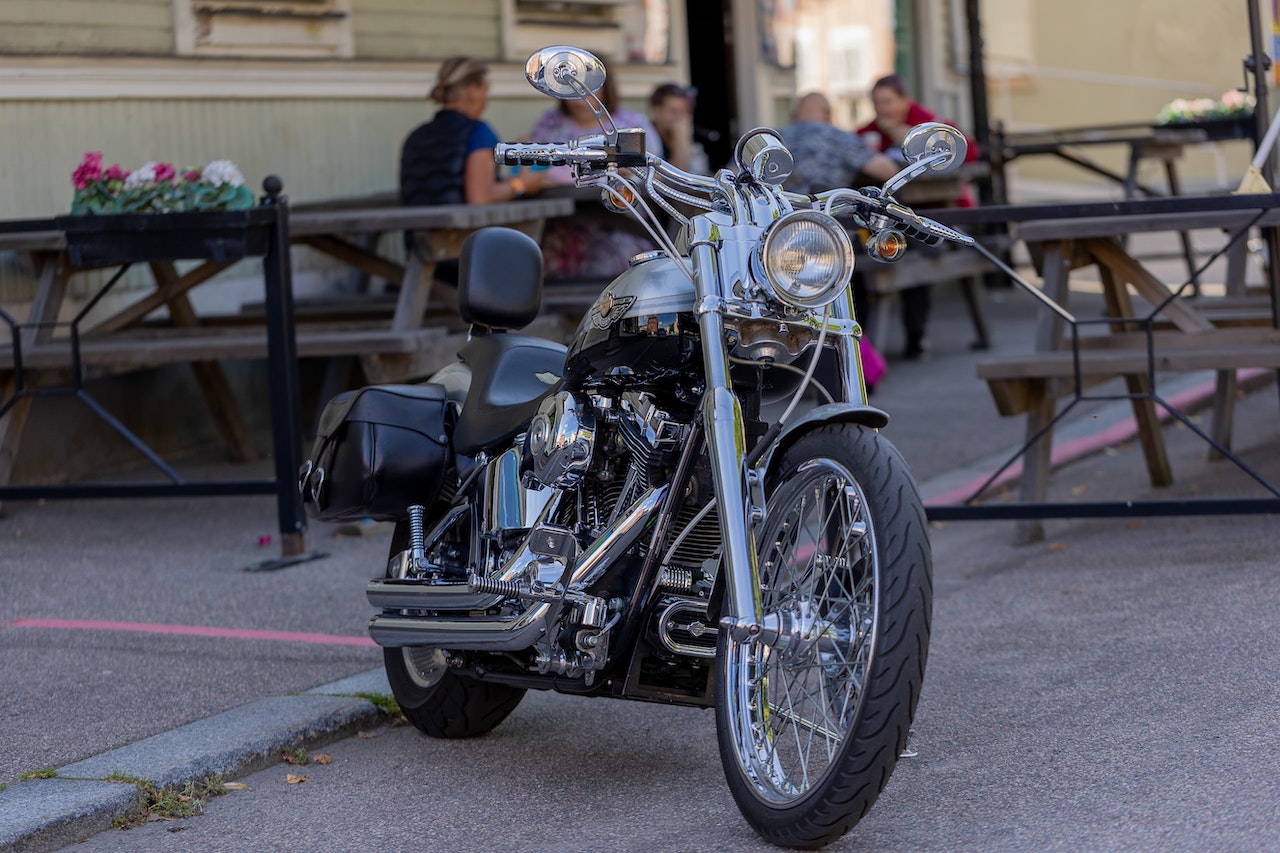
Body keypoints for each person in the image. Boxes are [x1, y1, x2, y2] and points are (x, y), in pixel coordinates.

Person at [857, 74, 981, 359]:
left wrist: (910, 139)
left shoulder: (927, 123)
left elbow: (969, 151)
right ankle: (873, 346)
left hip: (940, 216)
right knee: (887, 247)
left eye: (888, 102)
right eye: (877, 103)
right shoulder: (873, 131)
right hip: (895, 217)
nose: (882, 109)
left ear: (904, 100)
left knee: (919, 245)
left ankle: (915, 336)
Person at [526, 72, 661, 281]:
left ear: (607, 89)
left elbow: (649, 170)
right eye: (572, 90)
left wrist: (558, 173)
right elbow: (532, 171)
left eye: (589, 89)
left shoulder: (628, 123)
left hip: (621, 228)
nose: (580, 98)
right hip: (561, 230)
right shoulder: (550, 123)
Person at [400, 57, 543, 208]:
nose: (486, 100)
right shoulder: (478, 133)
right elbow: (479, 198)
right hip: (463, 230)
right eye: (485, 91)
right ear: (473, 90)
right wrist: (521, 184)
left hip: (417, 230)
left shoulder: (415, 137)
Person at [648, 82, 710, 174]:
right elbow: (677, 176)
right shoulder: (648, 139)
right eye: (674, 112)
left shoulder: (694, 141)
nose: (680, 119)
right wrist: (680, 138)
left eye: (685, 112)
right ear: (656, 111)